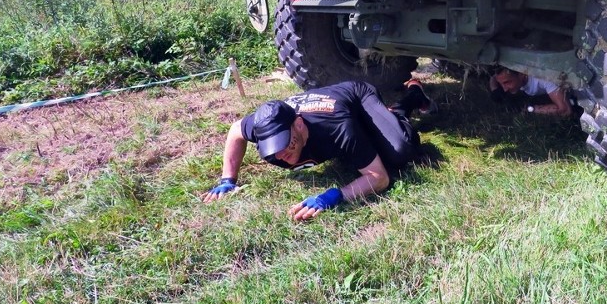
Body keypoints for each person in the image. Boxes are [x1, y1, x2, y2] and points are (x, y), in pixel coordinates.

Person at [202, 79, 434, 220]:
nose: (282, 155)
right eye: (273, 149)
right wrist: (227, 180)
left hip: (357, 97)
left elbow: (379, 178)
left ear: (300, 124)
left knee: (400, 150)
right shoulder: (265, 124)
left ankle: (406, 102)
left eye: (286, 143)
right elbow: (235, 131)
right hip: (331, 112)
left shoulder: (336, 127)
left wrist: (333, 196)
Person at [489, 67, 572, 117]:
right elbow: (494, 76)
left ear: (522, 74)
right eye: (501, 83)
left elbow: (565, 110)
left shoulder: (544, 78)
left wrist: (530, 109)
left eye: (507, 82)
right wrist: (494, 89)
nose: (505, 89)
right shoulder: (515, 73)